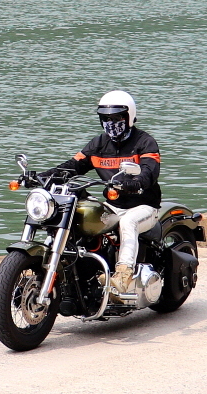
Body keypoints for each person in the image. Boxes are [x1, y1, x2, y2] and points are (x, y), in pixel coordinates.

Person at [53, 90, 162, 294]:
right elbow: (73, 166)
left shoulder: (144, 142)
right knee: (82, 216)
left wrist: (136, 182)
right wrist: (45, 175)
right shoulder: (99, 144)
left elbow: (150, 171)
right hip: (113, 205)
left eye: (117, 118)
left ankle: (123, 274)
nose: (111, 123)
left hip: (143, 206)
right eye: (106, 118)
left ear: (129, 116)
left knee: (128, 222)